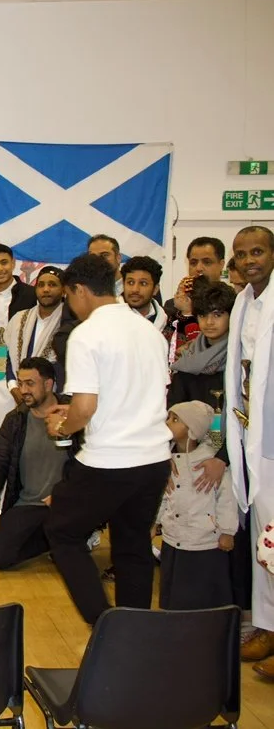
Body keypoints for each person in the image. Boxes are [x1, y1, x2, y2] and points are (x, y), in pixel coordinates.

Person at [43, 253, 172, 625]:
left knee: (62, 531)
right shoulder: (148, 330)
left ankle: (103, 621)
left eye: (69, 296)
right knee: (131, 545)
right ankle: (133, 631)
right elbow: (142, 392)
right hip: (153, 459)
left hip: (110, 461)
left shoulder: (87, 334)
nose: (70, 304)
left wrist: (63, 427)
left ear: (79, 290)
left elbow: (84, 407)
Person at [225, 227, 274, 674]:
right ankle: (267, 624)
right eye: (241, 254)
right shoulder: (244, 301)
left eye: (257, 252)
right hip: (251, 434)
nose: (248, 260)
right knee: (265, 538)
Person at [0, 357, 72, 571]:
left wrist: (67, 493)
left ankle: (71, 536)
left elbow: (88, 461)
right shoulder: (15, 419)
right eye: (20, 383)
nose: (23, 389)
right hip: (27, 503)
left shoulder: (72, 414)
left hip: (65, 503)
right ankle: (54, 540)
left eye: (30, 383)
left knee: (68, 557)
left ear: (48, 384)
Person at [159, 400, 238, 611]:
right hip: (173, 538)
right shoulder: (167, 461)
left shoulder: (210, 463)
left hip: (204, 541)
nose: (168, 423)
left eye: (175, 420)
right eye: (168, 418)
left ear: (193, 431)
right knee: (175, 591)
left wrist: (228, 531)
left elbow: (226, 498)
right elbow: (163, 496)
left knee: (203, 593)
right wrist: (154, 522)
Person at [0, 244, 36, 428]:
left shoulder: (30, 294)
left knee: (20, 422)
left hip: (20, 368)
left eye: (4, 262)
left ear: (13, 263)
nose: (0, 268)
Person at [169, 281, 236, 408]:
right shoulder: (187, 359)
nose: (209, 322)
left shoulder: (238, 356)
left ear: (231, 316)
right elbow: (174, 410)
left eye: (217, 315)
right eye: (203, 315)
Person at [4, 266, 65, 397]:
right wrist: (13, 386)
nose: (46, 289)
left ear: (64, 290)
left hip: (56, 397)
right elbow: (9, 356)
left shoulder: (70, 323)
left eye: (52, 285)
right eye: (41, 285)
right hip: (20, 393)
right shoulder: (19, 319)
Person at [164, 237, 226, 351]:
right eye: (193, 262)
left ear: (221, 264)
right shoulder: (172, 306)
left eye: (207, 262)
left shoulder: (232, 303)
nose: (199, 268)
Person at [120, 255, 166, 328]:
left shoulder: (169, 324)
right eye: (130, 282)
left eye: (143, 283)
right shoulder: (110, 318)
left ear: (155, 289)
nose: (135, 289)